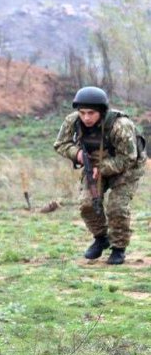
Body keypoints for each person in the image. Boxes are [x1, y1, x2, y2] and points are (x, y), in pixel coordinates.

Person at [54, 86, 147, 265]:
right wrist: (77, 154)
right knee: (87, 204)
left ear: (101, 111)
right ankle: (101, 238)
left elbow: (128, 158)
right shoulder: (73, 121)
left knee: (117, 207)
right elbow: (60, 144)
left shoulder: (121, 125)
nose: (86, 118)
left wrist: (102, 168)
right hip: (94, 165)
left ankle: (118, 248)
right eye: (82, 112)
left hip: (127, 167)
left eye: (91, 113)